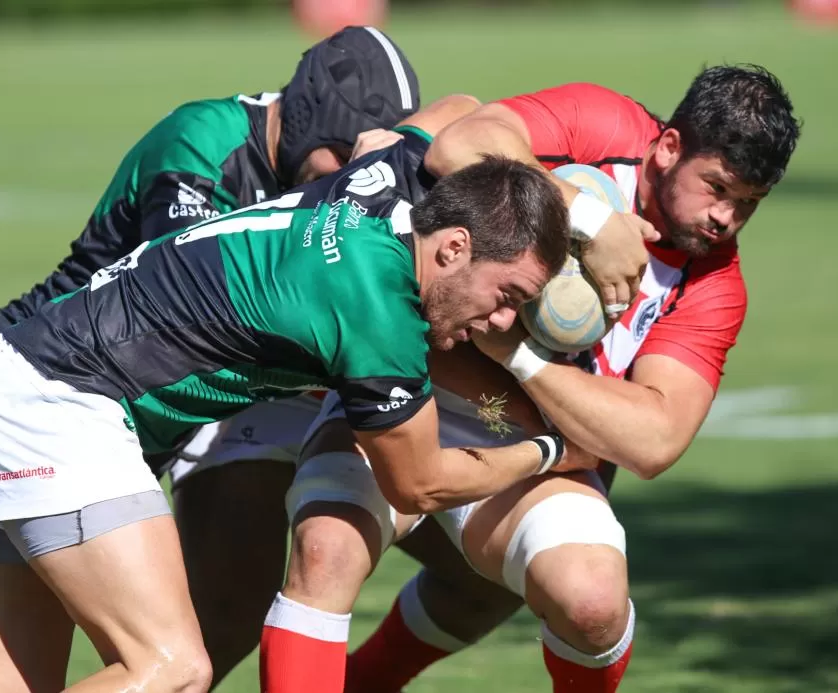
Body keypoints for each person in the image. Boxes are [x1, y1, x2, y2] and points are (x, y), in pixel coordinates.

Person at [0, 25, 424, 692]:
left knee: (187, 630)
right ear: (308, 114)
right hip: (57, 384)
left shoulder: (340, 184)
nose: (348, 178)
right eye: (341, 155)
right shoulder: (205, 138)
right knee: (146, 658)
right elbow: (192, 298)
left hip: (121, 403)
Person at [266, 64, 801, 693]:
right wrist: (590, 222)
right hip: (413, 383)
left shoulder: (713, 281)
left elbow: (655, 440)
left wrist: (519, 356)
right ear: (669, 148)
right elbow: (459, 142)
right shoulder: (606, 126)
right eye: (718, 187)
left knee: (594, 604)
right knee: (326, 551)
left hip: (535, 445)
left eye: (747, 204)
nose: (726, 217)